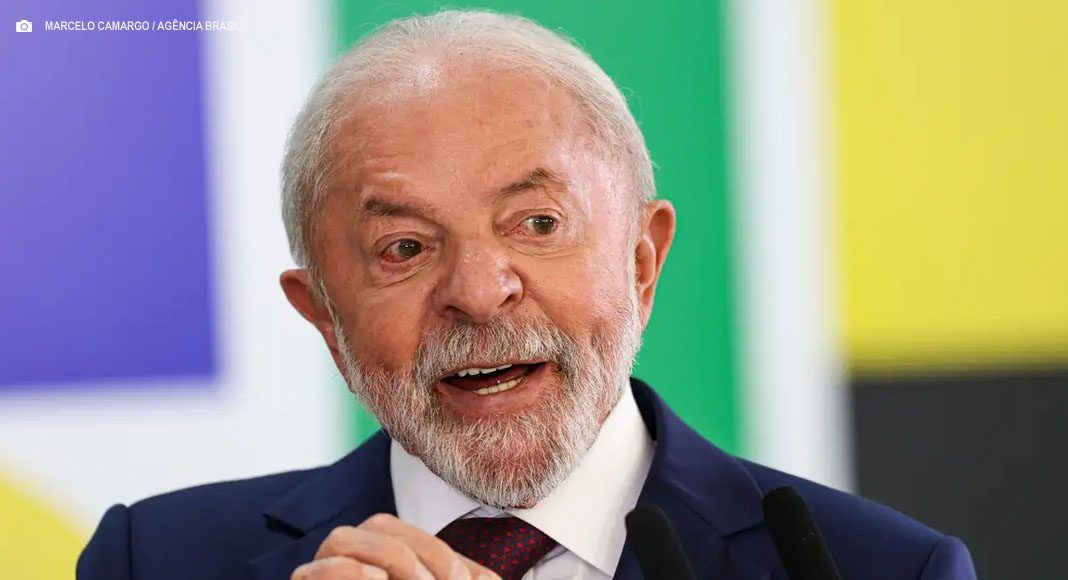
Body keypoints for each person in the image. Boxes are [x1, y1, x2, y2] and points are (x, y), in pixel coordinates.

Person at [78, 10, 976, 580]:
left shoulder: (881, 569)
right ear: (323, 317)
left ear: (641, 261)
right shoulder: (154, 561)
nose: (479, 292)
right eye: (404, 248)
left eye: (537, 224)